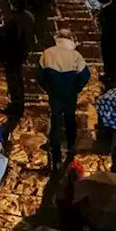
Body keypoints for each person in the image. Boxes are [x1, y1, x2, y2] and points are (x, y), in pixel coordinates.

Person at [37, 29, 90, 170]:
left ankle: (56, 155)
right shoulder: (75, 55)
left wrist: (48, 89)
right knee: (70, 118)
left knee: (55, 121)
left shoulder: (47, 53)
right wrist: (76, 88)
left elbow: (40, 76)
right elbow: (85, 76)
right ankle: (71, 145)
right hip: (70, 94)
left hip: (55, 94)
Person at [0, 0, 35, 117]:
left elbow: (6, 37)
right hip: (22, 52)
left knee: (13, 80)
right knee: (18, 78)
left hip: (12, 55)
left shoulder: (13, 20)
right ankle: (19, 103)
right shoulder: (29, 16)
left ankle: (16, 106)